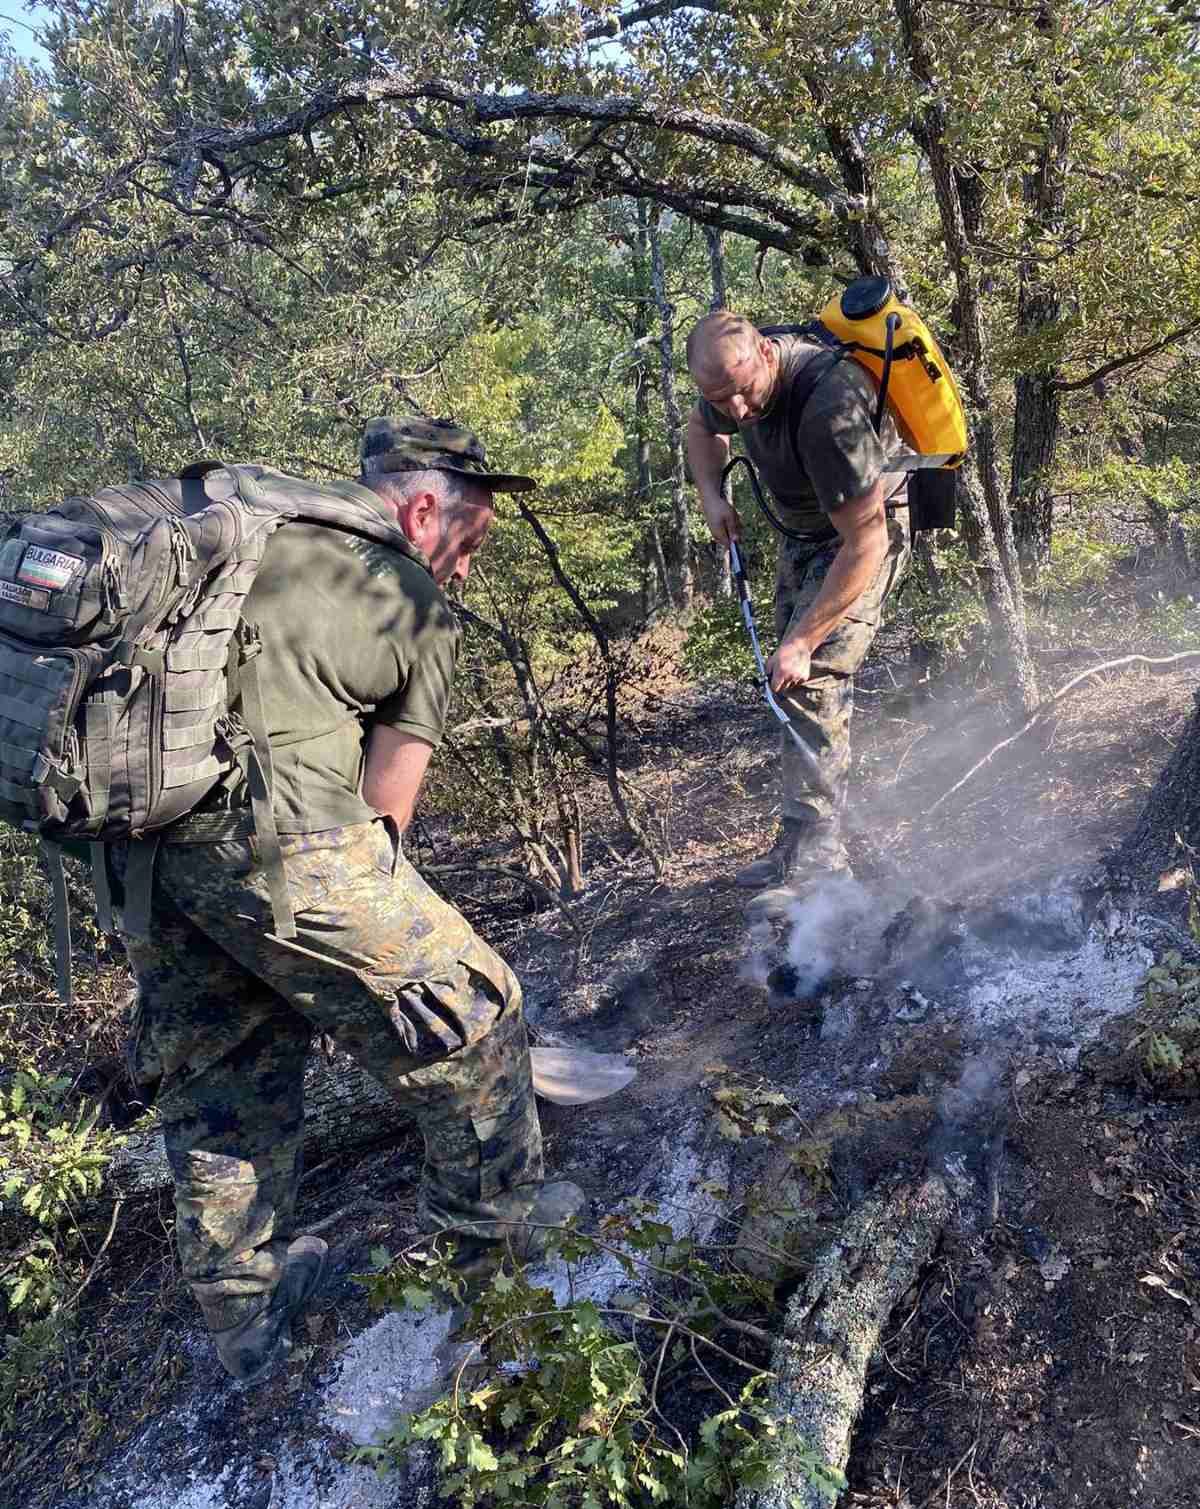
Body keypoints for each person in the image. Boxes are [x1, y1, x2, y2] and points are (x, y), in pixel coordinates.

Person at [115, 416, 585, 1385]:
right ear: (421, 508)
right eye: (472, 540)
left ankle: (245, 1315)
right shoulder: (407, 597)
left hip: (143, 850)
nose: (463, 568)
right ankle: (495, 1280)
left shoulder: (250, 540)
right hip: (279, 844)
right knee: (474, 1017)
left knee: (222, 1069)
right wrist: (379, 976)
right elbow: (384, 822)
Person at [685, 310, 909, 906]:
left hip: (865, 535)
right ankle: (800, 838)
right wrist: (713, 496)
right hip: (807, 533)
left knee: (812, 676)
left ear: (764, 351)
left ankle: (823, 864)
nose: (736, 409)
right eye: (719, 397)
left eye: (742, 391)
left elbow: (868, 542)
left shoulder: (824, 410)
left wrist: (806, 639)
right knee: (785, 685)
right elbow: (699, 431)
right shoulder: (731, 385)